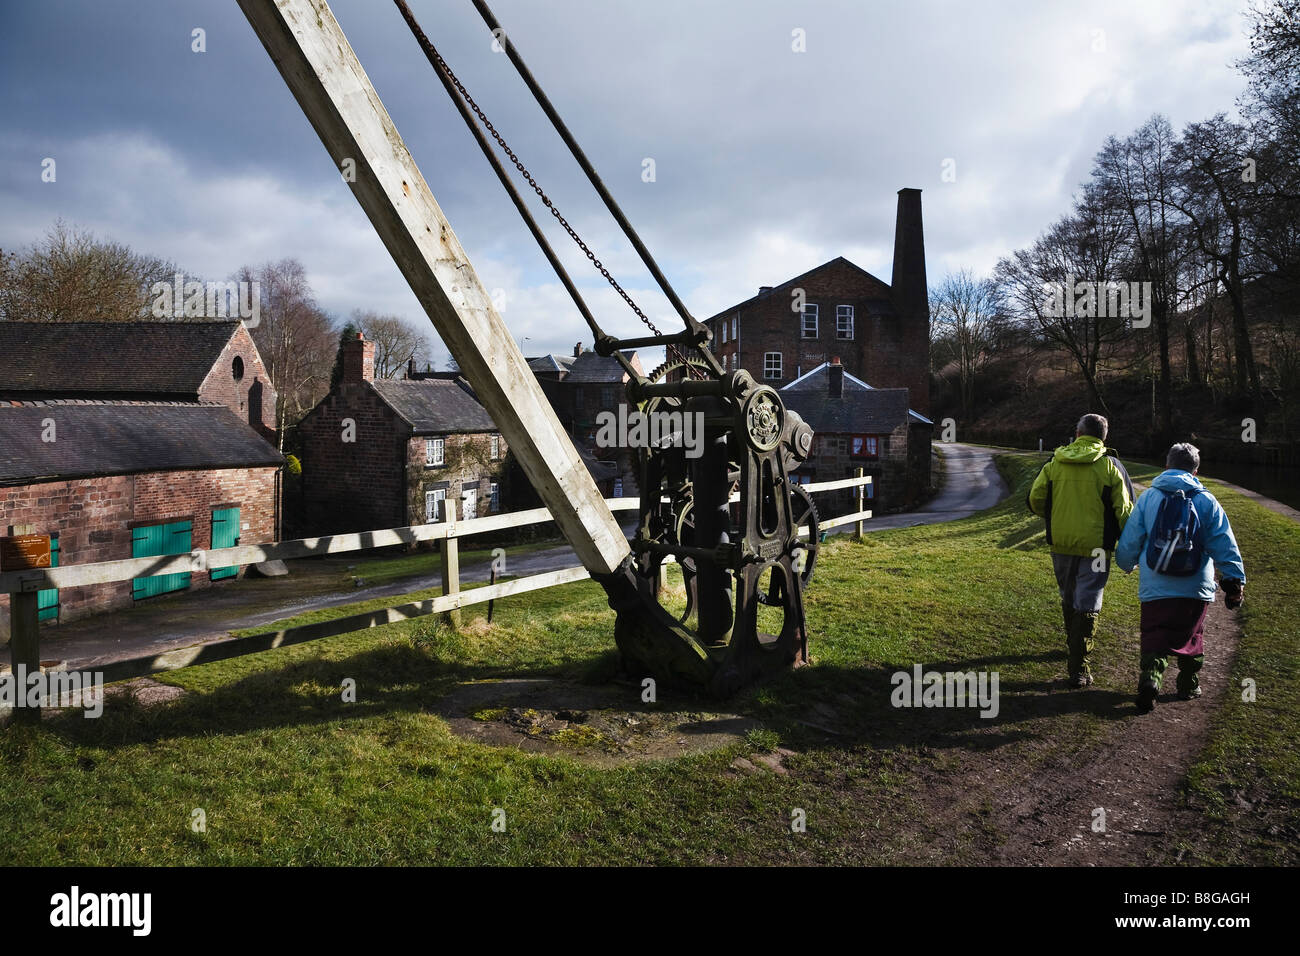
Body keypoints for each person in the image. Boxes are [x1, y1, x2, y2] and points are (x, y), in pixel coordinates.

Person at [1115, 442, 1245, 714]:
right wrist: (1233, 580)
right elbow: (1223, 542)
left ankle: (1151, 679)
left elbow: (1132, 538)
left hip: (1155, 584)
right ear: (1196, 471)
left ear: (1166, 465)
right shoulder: (1206, 500)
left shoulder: (1150, 497)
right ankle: (1188, 685)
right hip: (1194, 585)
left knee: (1154, 634)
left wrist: (1125, 563)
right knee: (1192, 636)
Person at [1027, 413, 1134, 687]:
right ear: (1104, 437)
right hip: (1096, 548)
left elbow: (1035, 499)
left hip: (1060, 543)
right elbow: (1124, 511)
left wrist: (1057, 518)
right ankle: (1079, 667)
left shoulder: (1055, 462)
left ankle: (1071, 645)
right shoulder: (1110, 466)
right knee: (1089, 600)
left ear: (1078, 433)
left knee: (1068, 594)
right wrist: (1131, 544)